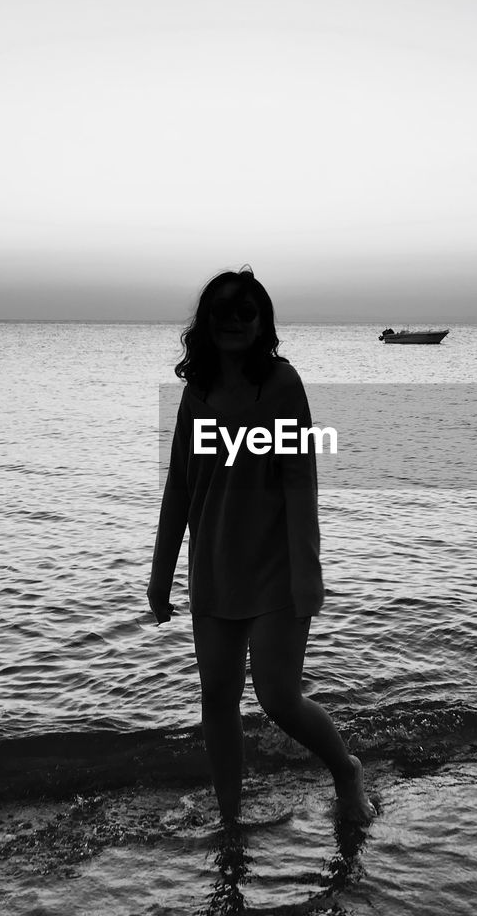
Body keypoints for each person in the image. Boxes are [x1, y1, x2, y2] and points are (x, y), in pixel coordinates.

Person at [146, 266, 372, 827]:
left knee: (278, 699)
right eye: (222, 310)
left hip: (276, 568)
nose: (233, 320)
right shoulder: (195, 390)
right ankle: (230, 824)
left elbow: (300, 479)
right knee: (217, 702)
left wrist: (307, 572)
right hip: (214, 567)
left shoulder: (280, 384)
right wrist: (160, 573)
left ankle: (346, 771)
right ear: (206, 320)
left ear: (262, 320)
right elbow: (178, 483)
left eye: (246, 311)